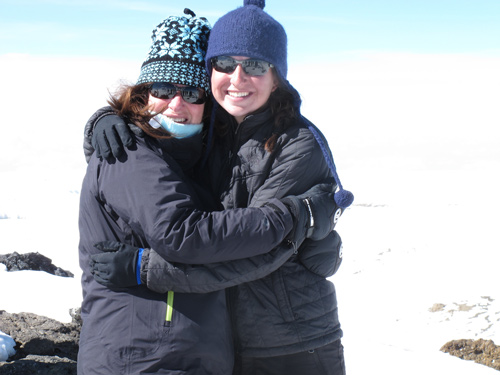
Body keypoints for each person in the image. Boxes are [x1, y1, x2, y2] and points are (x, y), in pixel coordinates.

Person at [78, 8, 338, 375]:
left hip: (290, 344)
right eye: (225, 63)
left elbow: (259, 252)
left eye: (257, 66)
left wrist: (145, 268)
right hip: (225, 344)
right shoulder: (210, 136)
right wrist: (103, 119)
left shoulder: (296, 144)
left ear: (277, 78)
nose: (238, 78)